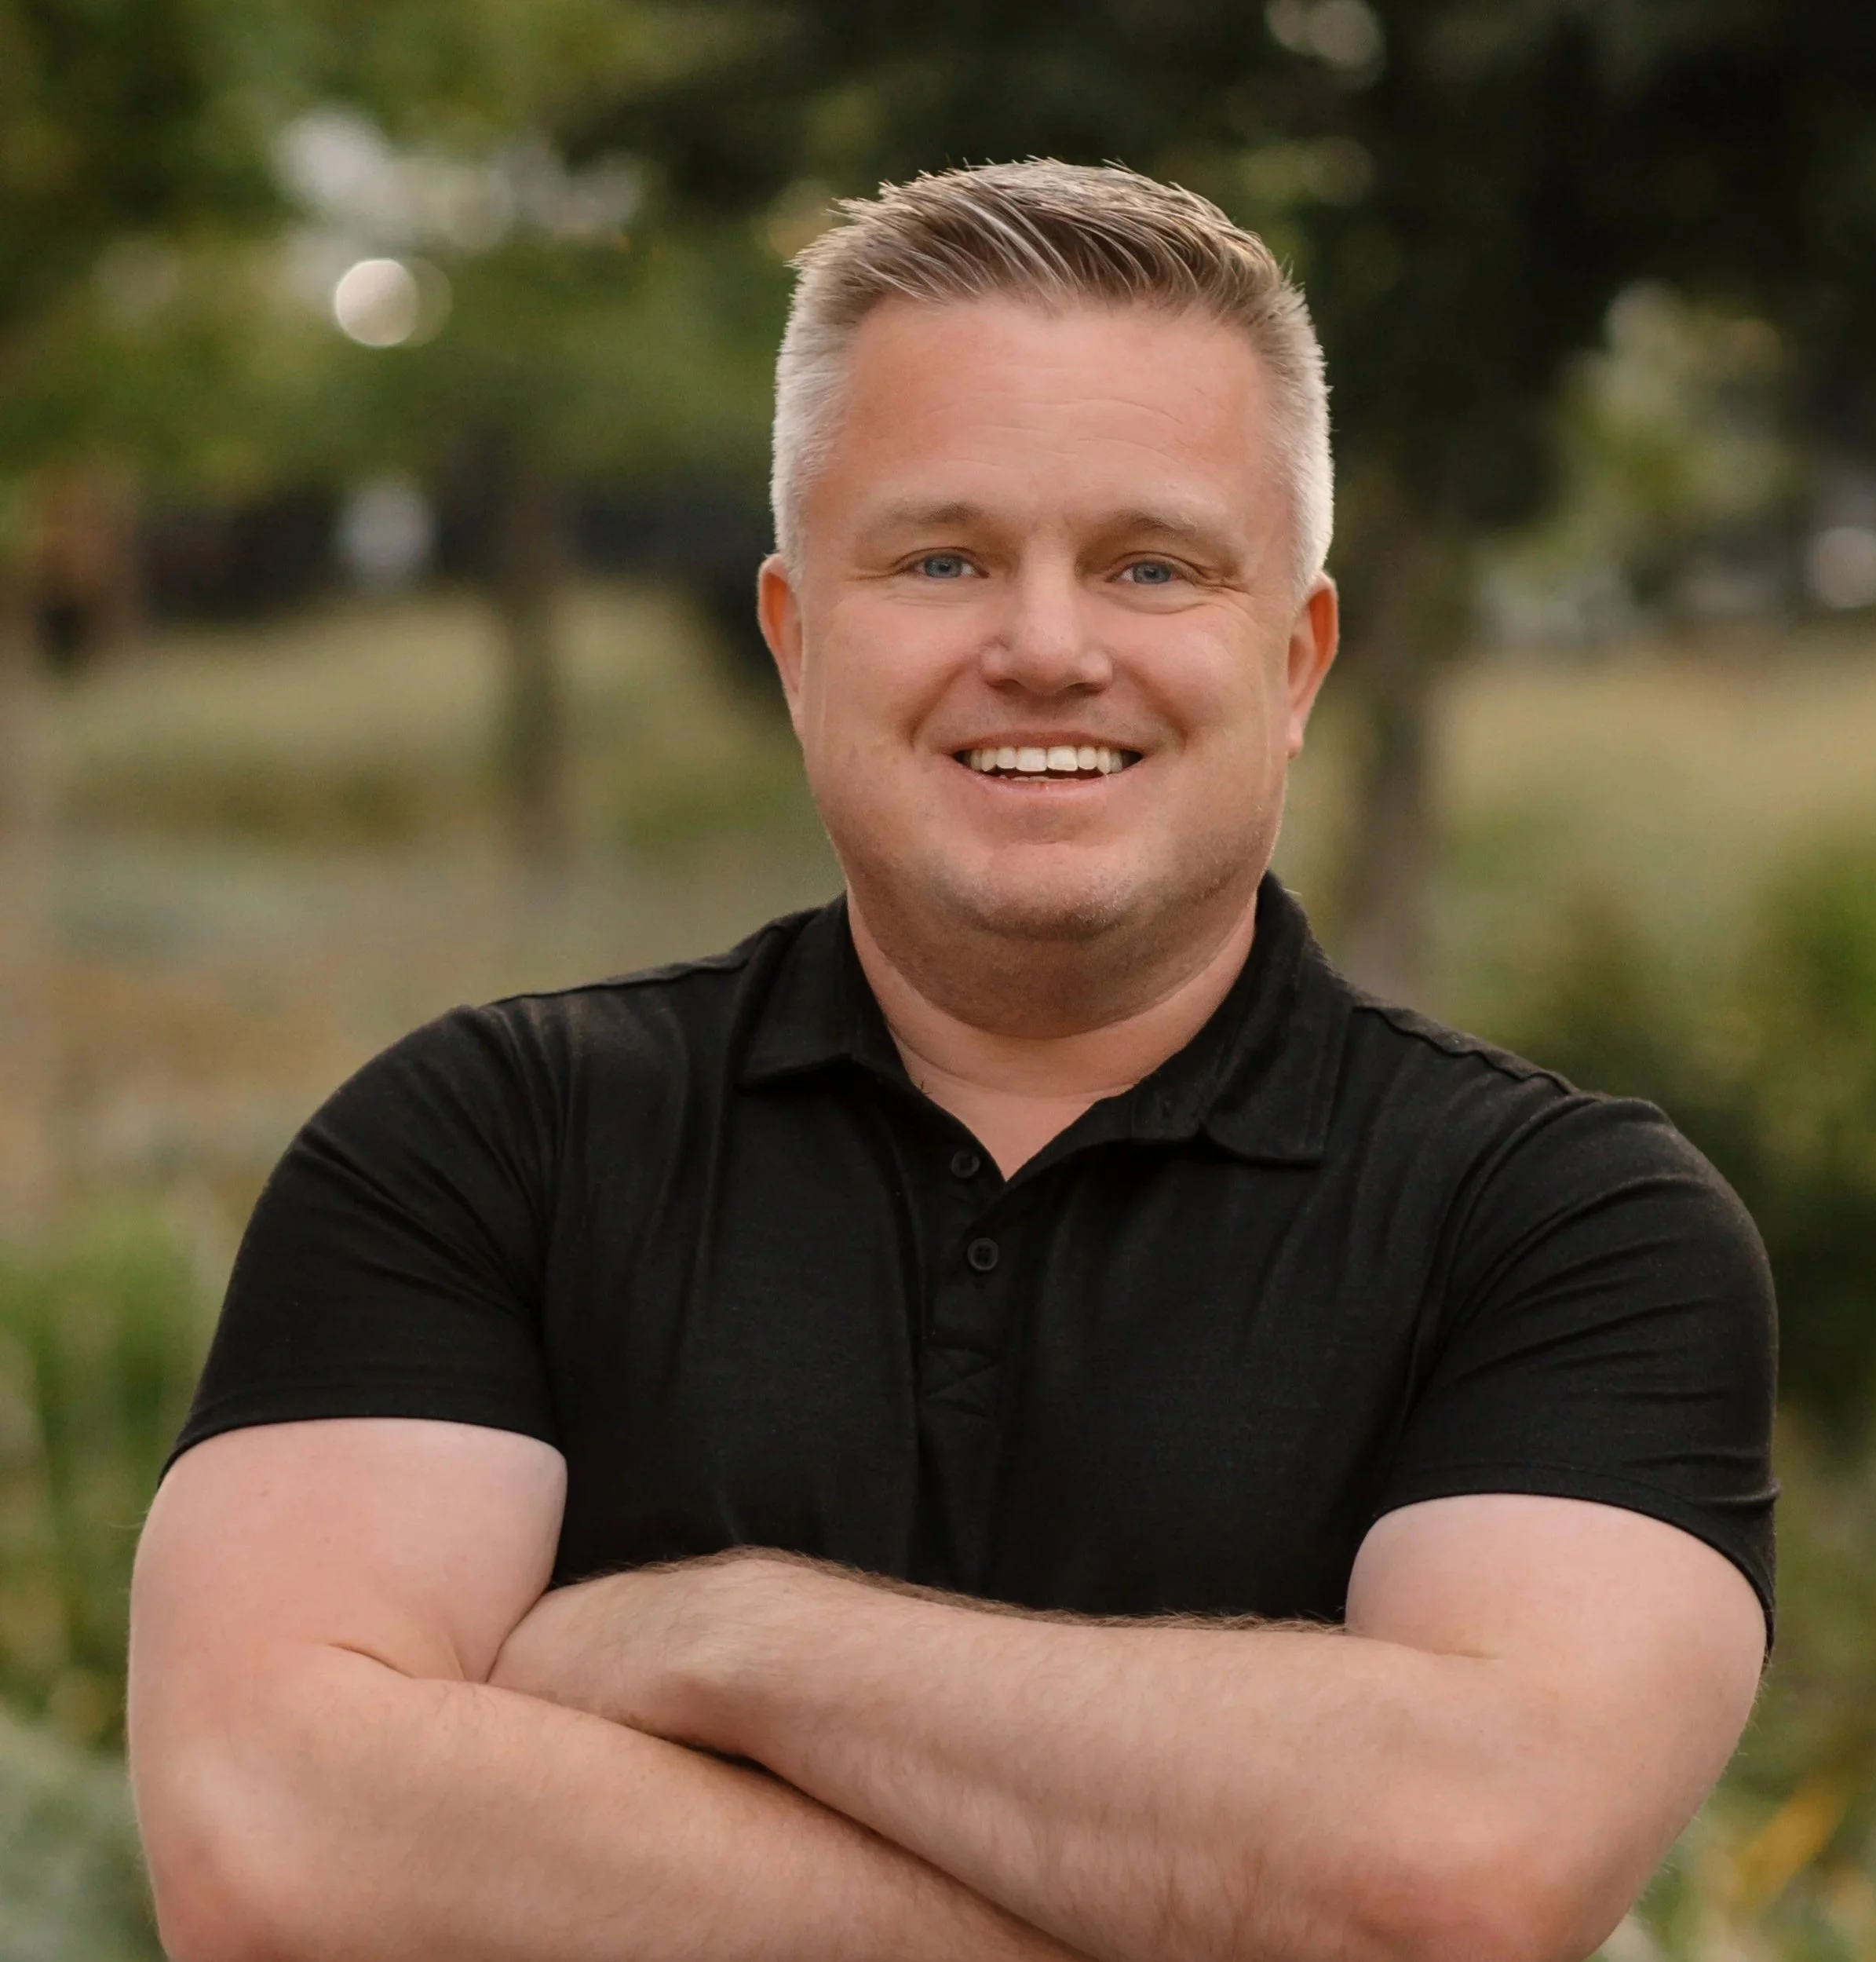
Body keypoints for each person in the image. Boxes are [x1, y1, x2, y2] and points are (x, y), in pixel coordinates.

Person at [129, 161, 1775, 1962]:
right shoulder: (477, 1147)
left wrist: (718, 1640)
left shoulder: (1562, 1224)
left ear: (1295, 657)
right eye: (943, 559)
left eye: (1151, 565)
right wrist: (1207, 1896)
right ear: (793, 636)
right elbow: (274, 1843)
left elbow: (1456, 1873)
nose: (1047, 648)